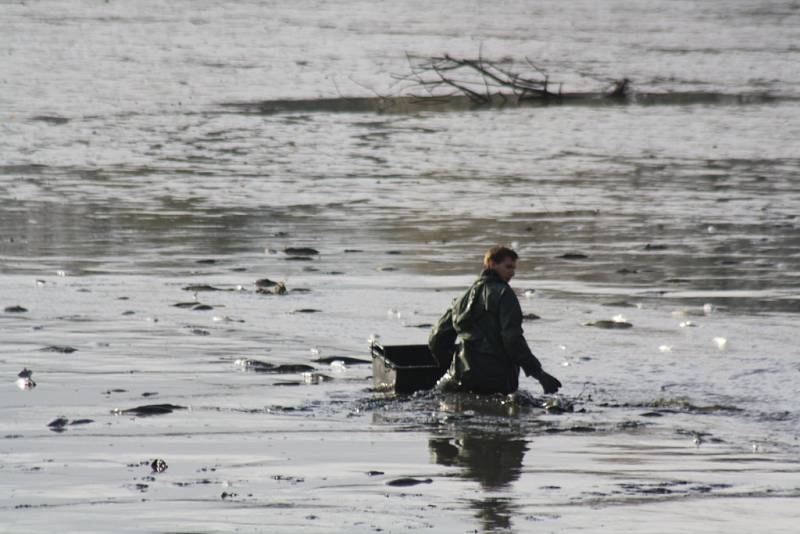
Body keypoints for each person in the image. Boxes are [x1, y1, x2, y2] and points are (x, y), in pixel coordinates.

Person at [429, 245, 562, 395]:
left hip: (462, 378)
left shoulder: (462, 297)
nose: (512, 273)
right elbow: (512, 339)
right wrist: (539, 373)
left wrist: (452, 363)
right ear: (492, 264)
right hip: (499, 379)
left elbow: (437, 338)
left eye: (514, 268)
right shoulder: (505, 294)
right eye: (508, 267)